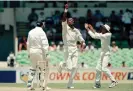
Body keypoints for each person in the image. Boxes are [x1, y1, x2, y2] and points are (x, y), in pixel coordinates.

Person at [58, 4, 86, 89]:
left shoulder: (76, 30)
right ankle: (62, 64)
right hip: (67, 48)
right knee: (69, 68)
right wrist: (66, 10)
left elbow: (81, 38)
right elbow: (63, 18)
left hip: (75, 49)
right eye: (68, 20)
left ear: (73, 22)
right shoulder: (65, 27)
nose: (69, 21)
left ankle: (69, 84)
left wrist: (83, 43)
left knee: (75, 67)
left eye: (70, 20)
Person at [85, 23, 118, 88]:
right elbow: (94, 36)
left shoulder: (108, 34)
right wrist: (88, 29)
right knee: (98, 69)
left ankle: (114, 81)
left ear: (106, 30)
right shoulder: (103, 34)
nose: (102, 28)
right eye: (102, 28)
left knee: (104, 68)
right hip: (102, 54)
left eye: (103, 28)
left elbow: (96, 35)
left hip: (106, 54)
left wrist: (90, 29)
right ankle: (97, 84)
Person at [27, 21, 51, 90]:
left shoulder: (30, 32)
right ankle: (42, 86)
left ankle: (29, 85)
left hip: (32, 51)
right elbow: (45, 44)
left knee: (32, 68)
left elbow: (28, 43)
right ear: (42, 25)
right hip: (39, 52)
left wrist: (28, 52)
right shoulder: (42, 32)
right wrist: (47, 53)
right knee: (42, 68)